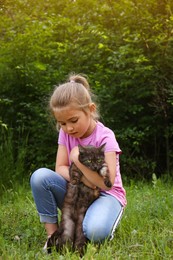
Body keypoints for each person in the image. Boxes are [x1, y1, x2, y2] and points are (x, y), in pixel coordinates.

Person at [30, 73, 127, 251]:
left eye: (73, 121)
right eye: (62, 123)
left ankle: (94, 221)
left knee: (96, 232)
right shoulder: (65, 133)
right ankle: (53, 235)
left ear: (90, 109)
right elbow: (59, 168)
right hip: (77, 191)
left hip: (106, 195)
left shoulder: (106, 137)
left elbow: (107, 184)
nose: (69, 128)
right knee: (40, 177)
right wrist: (85, 180)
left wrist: (77, 159)